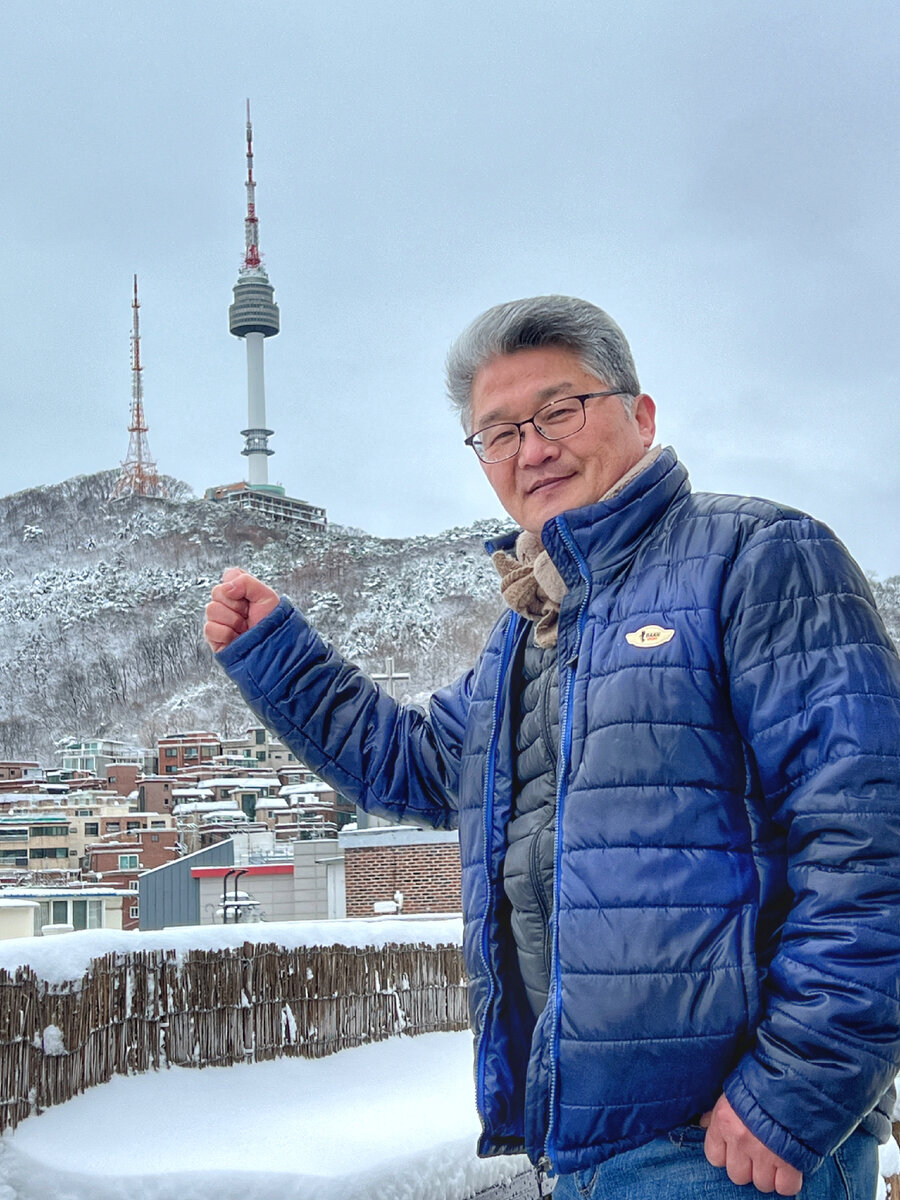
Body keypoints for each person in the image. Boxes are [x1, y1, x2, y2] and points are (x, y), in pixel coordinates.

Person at [204, 296, 900, 1198]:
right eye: (497, 433)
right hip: (579, 1144)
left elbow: (869, 839)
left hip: (728, 1147)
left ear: (641, 415)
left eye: (559, 411)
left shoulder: (760, 556)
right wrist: (276, 654)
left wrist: (794, 1094)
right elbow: (416, 763)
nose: (532, 448)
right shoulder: (530, 632)